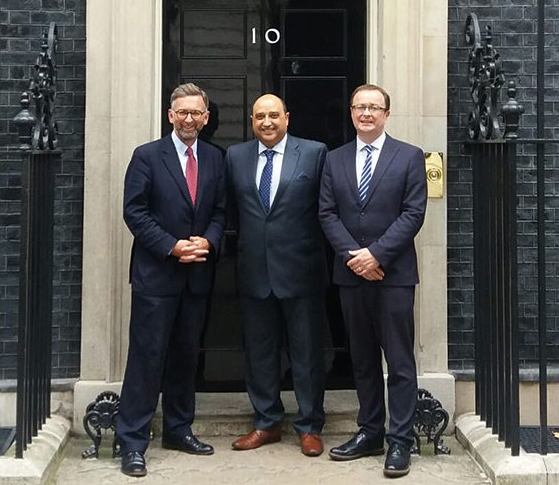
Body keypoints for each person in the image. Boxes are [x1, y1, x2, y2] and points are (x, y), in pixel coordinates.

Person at [117, 83, 226, 477]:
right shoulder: (146, 156)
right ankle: (131, 440)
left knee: (185, 357)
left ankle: (179, 429)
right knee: (147, 358)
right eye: (183, 112)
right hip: (156, 276)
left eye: (197, 113)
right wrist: (172, 246)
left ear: (206, 118)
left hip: (197, 276)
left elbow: (219, 210)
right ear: (170, 115)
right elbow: (135, 212)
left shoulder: (216, 158)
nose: (190, 119)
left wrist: (208, 240)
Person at [318, 84, 427, 478]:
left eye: (374, 107)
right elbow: (327, 214)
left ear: (386, 113)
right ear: (351, 112)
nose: (366, 113)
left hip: (394, 276)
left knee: (398, 361)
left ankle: (400, 440)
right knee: (362, 360)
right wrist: (355, 258)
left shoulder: (410, 156)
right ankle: (370, 432)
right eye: (360, 107)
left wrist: (377, 255)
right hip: (351, 276)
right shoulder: (334, 159)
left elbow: (413, 214)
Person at [226, 94, 329, 457]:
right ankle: (266, 422)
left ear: (287, 117)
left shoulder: (315, 153)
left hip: (302, 270)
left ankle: (310, 425)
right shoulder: (235, 156)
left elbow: (327, 209)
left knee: (306, 352)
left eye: (273, 115)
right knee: (259, 352)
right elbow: (231, 212)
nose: (266, 122)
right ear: (251, 120)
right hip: (253, 269)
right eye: (259, 116)